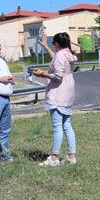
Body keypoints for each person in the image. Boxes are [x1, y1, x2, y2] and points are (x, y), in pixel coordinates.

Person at [33, 32, 78, 167]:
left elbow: (58, 76)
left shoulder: (60, 55)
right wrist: (46, 47)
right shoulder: (67, 53)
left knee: (57, 127)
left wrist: (42, 74)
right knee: (67, 126)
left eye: (53, 44)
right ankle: (71, 156)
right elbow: (57, 61)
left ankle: (54, 158)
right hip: (67, 93)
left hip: (58, 94)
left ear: (57, 44)